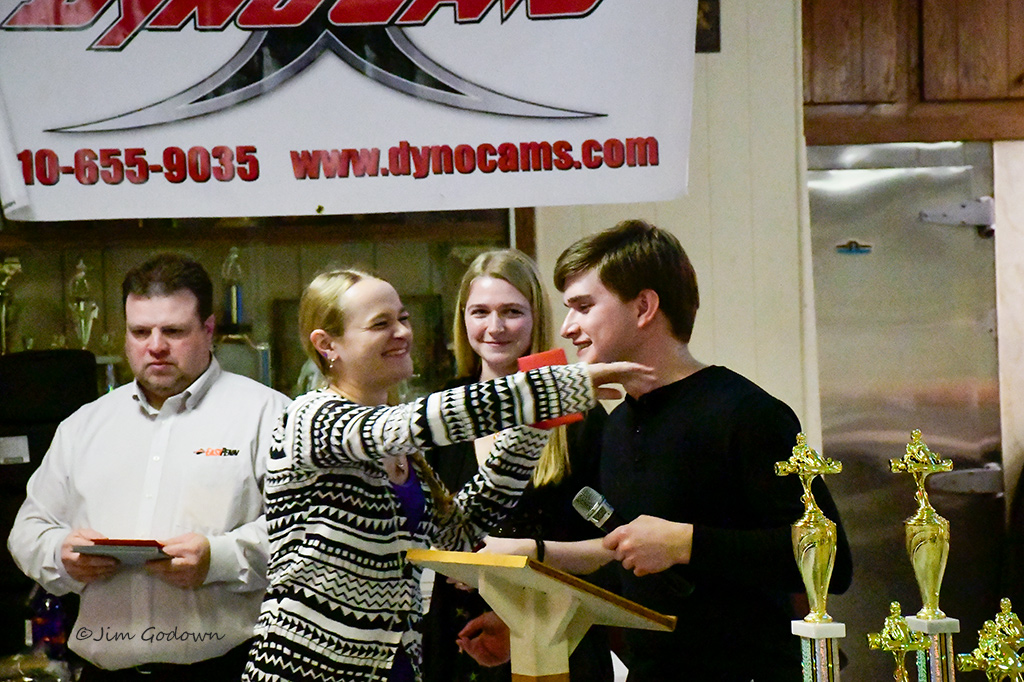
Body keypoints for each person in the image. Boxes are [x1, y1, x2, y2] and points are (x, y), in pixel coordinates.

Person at [461, 220, 853, 681]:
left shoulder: (746, 413)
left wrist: (687, 543)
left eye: (584, 307)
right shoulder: (618, 424)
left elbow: (833, 562)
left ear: (644, 307)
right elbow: (627, 565)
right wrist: (526, 612)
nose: (567, 328)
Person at [242, 269, 652, 682]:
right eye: (381, 324)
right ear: (327, 344)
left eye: (403, 318)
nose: (402, 333)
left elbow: (462, 533)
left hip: (392, 665)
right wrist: (549, 389)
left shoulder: (404, 449)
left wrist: (533, 429)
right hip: (307, 669)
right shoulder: (310, 418)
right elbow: (412, 422)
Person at [7, 254, 291, 680]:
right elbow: (27, 531)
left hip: (225, 669)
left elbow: (306, 535)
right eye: (140, 331)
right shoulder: (84, 425)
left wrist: (218, 559)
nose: (155, 346)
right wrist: (60, 554)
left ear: (209, 330)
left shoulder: (269, 416)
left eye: (173, 331)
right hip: (103, 671)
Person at [420, 250, 613, 682]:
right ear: (462, 320)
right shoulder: (442, 412)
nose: (495, 327)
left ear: (536, 318)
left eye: (511, 312)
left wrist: (523, 564)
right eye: (480, 312)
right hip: (458, 641)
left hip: (556, 637)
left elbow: (614, 547)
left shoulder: (578, 413)